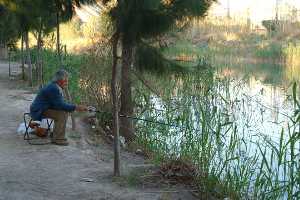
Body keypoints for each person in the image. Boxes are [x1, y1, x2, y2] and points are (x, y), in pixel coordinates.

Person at [30, 69, 87, 145]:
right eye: (66, 81)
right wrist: (76, 107)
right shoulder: (54, 88)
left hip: (41, 109)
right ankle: (58, 138)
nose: (67, 83)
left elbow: (59, 104)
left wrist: (74, 107)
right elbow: (60, 105)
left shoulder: (54, 86)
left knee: (63, 112)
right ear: (60, 81)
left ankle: (56, 135)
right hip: (38, 111)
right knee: (62, 113)